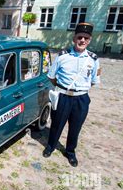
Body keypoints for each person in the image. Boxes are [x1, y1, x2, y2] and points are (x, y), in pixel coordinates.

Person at [42, 22, 101, 167]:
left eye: (86, 38)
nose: (82, 41)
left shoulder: (93, 59)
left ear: (89, 41)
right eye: (80, 37)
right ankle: (50, 146)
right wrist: (62, 88)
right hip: (63, 97)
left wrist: (79, 90)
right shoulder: (62, 56)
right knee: (56, 124)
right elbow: (51, 76)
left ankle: (70, 152)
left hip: (81, 99)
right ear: (74, 38)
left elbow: (93, 80)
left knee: (75, 127)